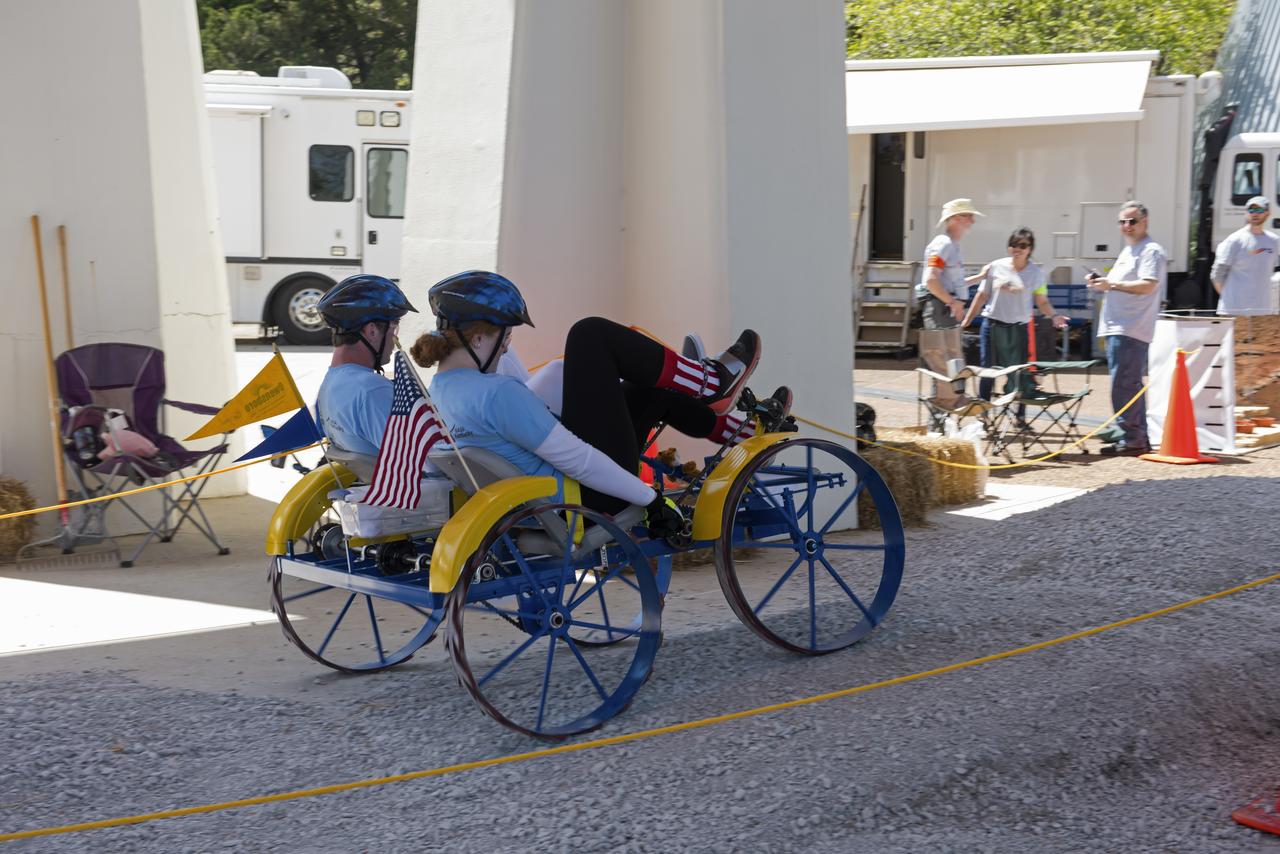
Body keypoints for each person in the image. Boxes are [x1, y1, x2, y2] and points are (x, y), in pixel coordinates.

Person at [410, 271, 786, 533]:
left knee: (646, 393)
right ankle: (709, 382)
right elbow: (577, 458)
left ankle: (742, 431)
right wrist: (652, 500)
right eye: (505, 337)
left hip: (539, 503)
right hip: (585, 498)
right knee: (589, 336)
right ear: (477, 340)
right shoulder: (497, 394)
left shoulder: (440, 389)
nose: (508, 345)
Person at [1087, 201, 1166, 455]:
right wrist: (1103, 283)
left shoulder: (1150, 250)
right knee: (1124, 383)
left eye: (1132, 221)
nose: (1126, 226)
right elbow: (1121, 283)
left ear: (1145, 222)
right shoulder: (1129, 251)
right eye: (1122, 221)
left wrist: (1111, 285)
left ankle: (1134, 438)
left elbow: (1148, 285)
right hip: (1119, 326)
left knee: (1125, 384)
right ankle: (1133, 435)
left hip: (1131, 327)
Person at [313, 274, 418, 456]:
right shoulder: (372, 391)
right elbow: (421, 464)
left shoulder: (331, 382)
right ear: (372, 331)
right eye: (394, 326)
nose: (396, 337)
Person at [962, 228, 1069, 400]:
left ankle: (1020, 417)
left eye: (1022, 245)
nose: (1017, 249)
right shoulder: (996, 266)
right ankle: (984, 415)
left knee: (1020, 372)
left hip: (1018, 329)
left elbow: (1042, 301)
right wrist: (968, 319)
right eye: (1013, 245)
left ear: (1030, 249)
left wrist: (1054, 316)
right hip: (992, 325)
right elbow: (982, 295)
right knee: (987, 370)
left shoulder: (1036, 273)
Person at [920, 198, 990, 329]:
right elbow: (931, 280)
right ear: (957, 218)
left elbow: (952, 284)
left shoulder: (952, 246)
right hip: (942, 311)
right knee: (941, 349)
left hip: (946, 311)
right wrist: (953, 303)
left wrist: (981, 276)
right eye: (969, 216)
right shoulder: (943, 244)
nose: (973, 221)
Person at [1212, 195, 1278, 317]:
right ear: (1246, 213)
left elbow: (1271, 273)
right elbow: (1217, 274)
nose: (1254, 214)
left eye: (1259, 210)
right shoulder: (1235, 240)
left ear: (1268, 213)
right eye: (1251, 210)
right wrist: (1229, 299)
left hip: (1262, 312)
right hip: (1234, 311)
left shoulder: (1274, 241)